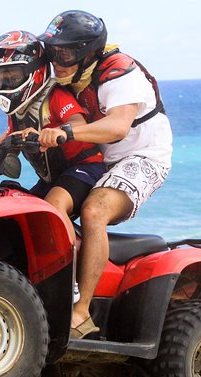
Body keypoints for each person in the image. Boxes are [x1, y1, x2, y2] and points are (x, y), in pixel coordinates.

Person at [37, 10, 173, 339]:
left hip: (143, 157)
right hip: (101, 159)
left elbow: (117, 127)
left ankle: (81, 311)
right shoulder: (69, 78)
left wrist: (65, 133)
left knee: (94, 211)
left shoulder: (120, 70)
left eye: (65, 53)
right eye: (52, 52)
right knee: (39, 210)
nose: (57, 60)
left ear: (87, 52)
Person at [0, 30, 105, 242]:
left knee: (53, 206)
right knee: (20, 213)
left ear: (35, 71)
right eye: (0, 77)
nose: (7, 83)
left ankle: (67, 270)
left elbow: (78, 123)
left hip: (85, 168)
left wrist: (55, 133)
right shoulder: (18, 109)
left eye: (13, 76)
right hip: (53, 177)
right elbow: (9, 136)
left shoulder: (55, 96)